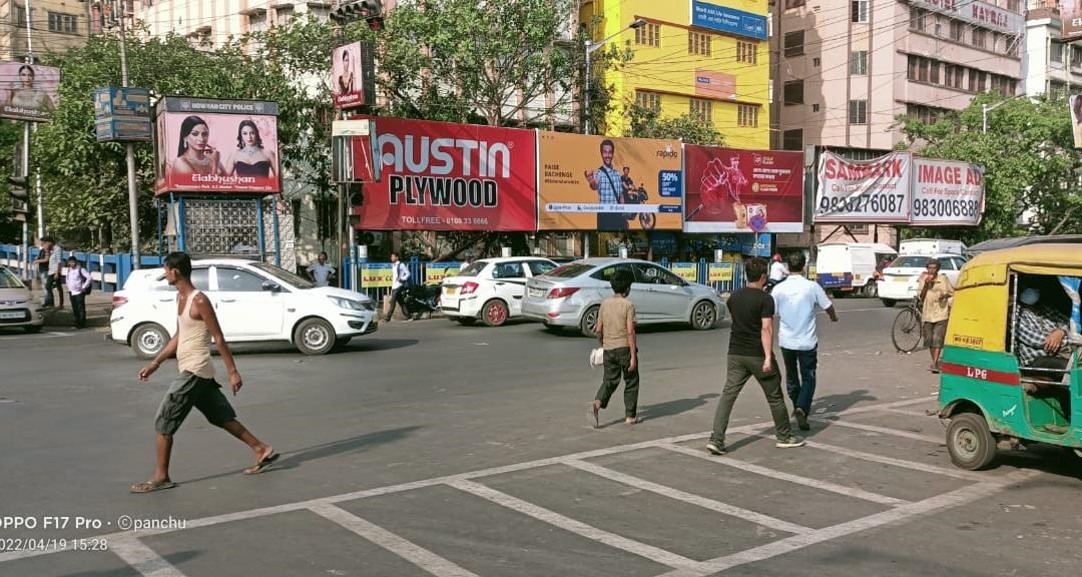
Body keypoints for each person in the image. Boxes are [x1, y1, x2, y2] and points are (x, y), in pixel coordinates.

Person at [131, 252, 277, 493]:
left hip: (194, 370)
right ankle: (261, 448)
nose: (165, 274)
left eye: (166, 270)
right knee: (221, 417)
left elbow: (218, 337)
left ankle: (161, 476)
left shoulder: (199, 300)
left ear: (175, 272)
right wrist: (155, 363)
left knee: (164, 421)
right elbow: (179, 335)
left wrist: (233, 371)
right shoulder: (181, 299)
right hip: (195, 371)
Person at [706, 257, 804, 455]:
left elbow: (738, 322)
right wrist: (768, 357)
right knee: (774, 395)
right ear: (763, 276)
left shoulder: (734, 297)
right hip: (757, 354)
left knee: (728, 395)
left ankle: (716, 439)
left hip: (735, 353)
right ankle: (784, 436)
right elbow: (766, 328)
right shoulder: (765, 299)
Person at [771, 252, 838, 431]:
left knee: (792, 376)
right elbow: (828, 306)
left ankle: (797, 406)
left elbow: (771, 311)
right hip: (807, 341)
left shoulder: (778, 289)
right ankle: (802, 407)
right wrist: (833, 317)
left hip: (787, 341)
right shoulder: (811, 287)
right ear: (804, 267)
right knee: (809, 376)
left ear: (788, 266)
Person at [589, 269, 639, 427]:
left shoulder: (604, 304)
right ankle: (630, 416)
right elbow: (630, 331)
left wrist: (603, 344)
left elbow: (598, 329)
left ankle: (598, 402)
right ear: (627, 288)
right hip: (624, 348)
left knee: (609, 381)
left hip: (609, 349)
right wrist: (633, 356)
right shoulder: (628, 305)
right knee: (631, 381)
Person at [1016, 287, 1071, 384]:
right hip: (1035, 361)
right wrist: (1061, 339)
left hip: (1058, 353)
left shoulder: (1046, 308)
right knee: (1071, 368)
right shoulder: (1017, 314)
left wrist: (1060, 332)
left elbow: (1068, 321)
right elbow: (1037, 341)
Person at [916, 258, 954, 373]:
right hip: (928, 313)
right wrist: (926, 285)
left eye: (934, 268)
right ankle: (934, 361)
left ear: (937, 269)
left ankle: (935, 363)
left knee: (937, 338)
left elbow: (951, 292)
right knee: (929, 339)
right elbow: (921, 296)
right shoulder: (923, 279)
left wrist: (944, 296)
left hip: (941, 312)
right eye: (930, 268)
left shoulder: (943, 279)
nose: (932, 270)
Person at [584, 139, 628, 231]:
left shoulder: (617, 174)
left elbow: (621, 195)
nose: (607, 155)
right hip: (604, 215)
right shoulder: (599, 173)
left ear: (612, 154)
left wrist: (623, 211)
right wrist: (591, 181)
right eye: (605, 152)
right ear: (601, 154)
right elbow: (595, 186)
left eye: (610, 152)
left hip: (617, 215)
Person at [384, 252, 413, 322]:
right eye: (391, 257)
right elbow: (394, 277)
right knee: (401, 302)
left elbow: (408, 273)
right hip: (395, 286)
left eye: (393, 257)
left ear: (397, 257)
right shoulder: (393, 265)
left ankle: (387, 318)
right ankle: (408, 316)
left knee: (392, 302)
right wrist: (392, 287)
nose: (391, 258)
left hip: (399, 286)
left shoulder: (401, 265)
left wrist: (402, 278)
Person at [65, 257, 92, 329]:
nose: (71, 264)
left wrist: (84, 287)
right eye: (70, 262)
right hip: (72, 291)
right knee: (74, 307)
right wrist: (68, 287)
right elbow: (67, 279)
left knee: (80, 307)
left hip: (79, 291)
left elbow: (89, 278)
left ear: (76, 262)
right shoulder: (69, 270)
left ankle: (82, 322)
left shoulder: (80, 269)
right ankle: (76, 322)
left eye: (73, 262)